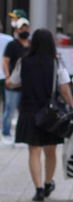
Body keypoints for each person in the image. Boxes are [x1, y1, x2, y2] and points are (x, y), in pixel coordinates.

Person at [6, 29, 73, 201]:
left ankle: (38, 190)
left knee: (34, 151)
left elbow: (13, 82)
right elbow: (64, 88)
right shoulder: (56, 63)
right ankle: (47, 183)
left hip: (29, 111)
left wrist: (7, 81)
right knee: (50, 151)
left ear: (33, 42)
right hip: (50, 113)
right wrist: (72, 107)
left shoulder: (24, 62)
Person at [2, 17, 30, 145]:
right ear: (17, 30)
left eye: (26, 27)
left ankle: (21, 134)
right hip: (13, 83)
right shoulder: (12, 45)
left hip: (27, 84)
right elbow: (5, 61)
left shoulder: (31, 45)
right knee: (10, 109)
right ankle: (5, 133)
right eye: (21, 28)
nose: (24, 30)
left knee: (24, 111)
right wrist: (8, 77)